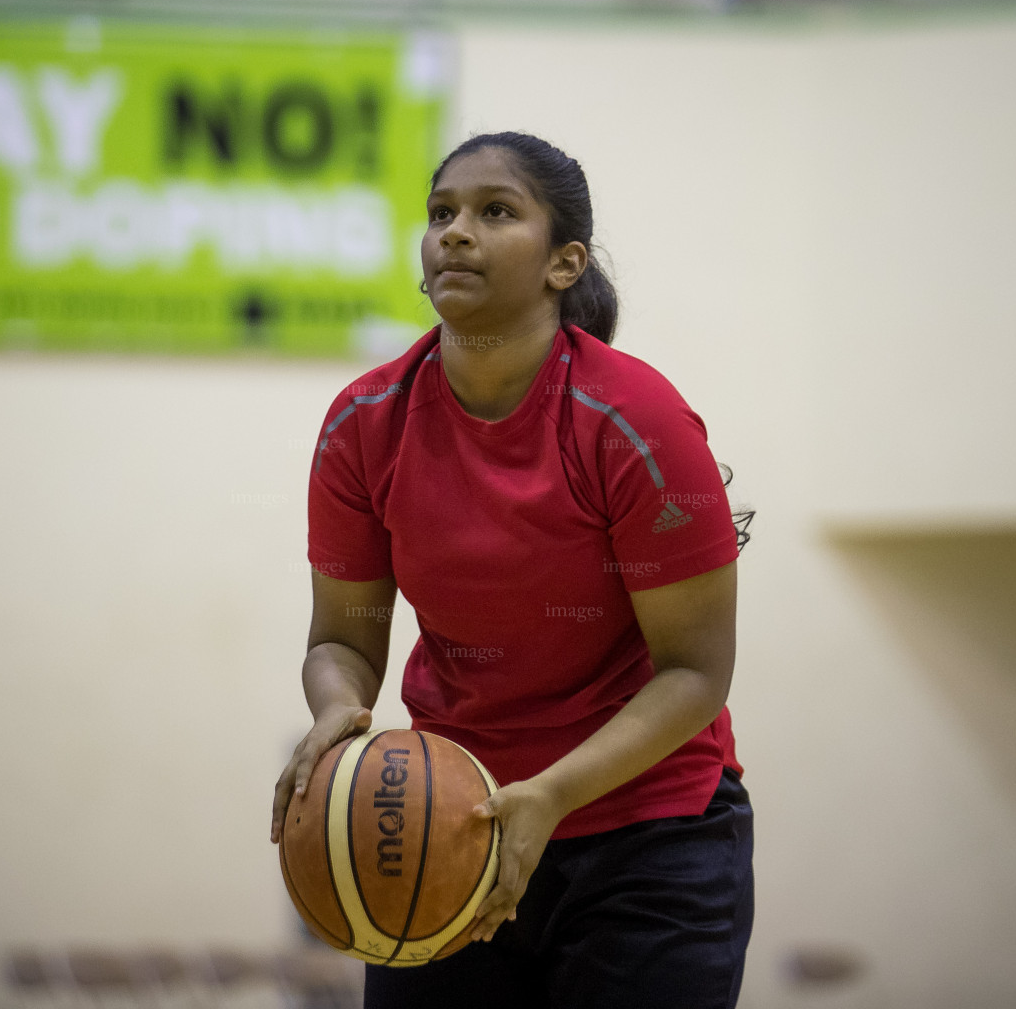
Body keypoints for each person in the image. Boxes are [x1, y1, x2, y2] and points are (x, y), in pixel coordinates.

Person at [269, 131, 752, 1009]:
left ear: (565, 263)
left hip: (647, 832)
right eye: (441, 214)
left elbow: (697, 672)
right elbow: (342, 638)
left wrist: (551, 797)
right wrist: (341, 708)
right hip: (445, 823)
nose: (455, 232)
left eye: (496, 212)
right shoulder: (363, 422)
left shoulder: (635, 418)